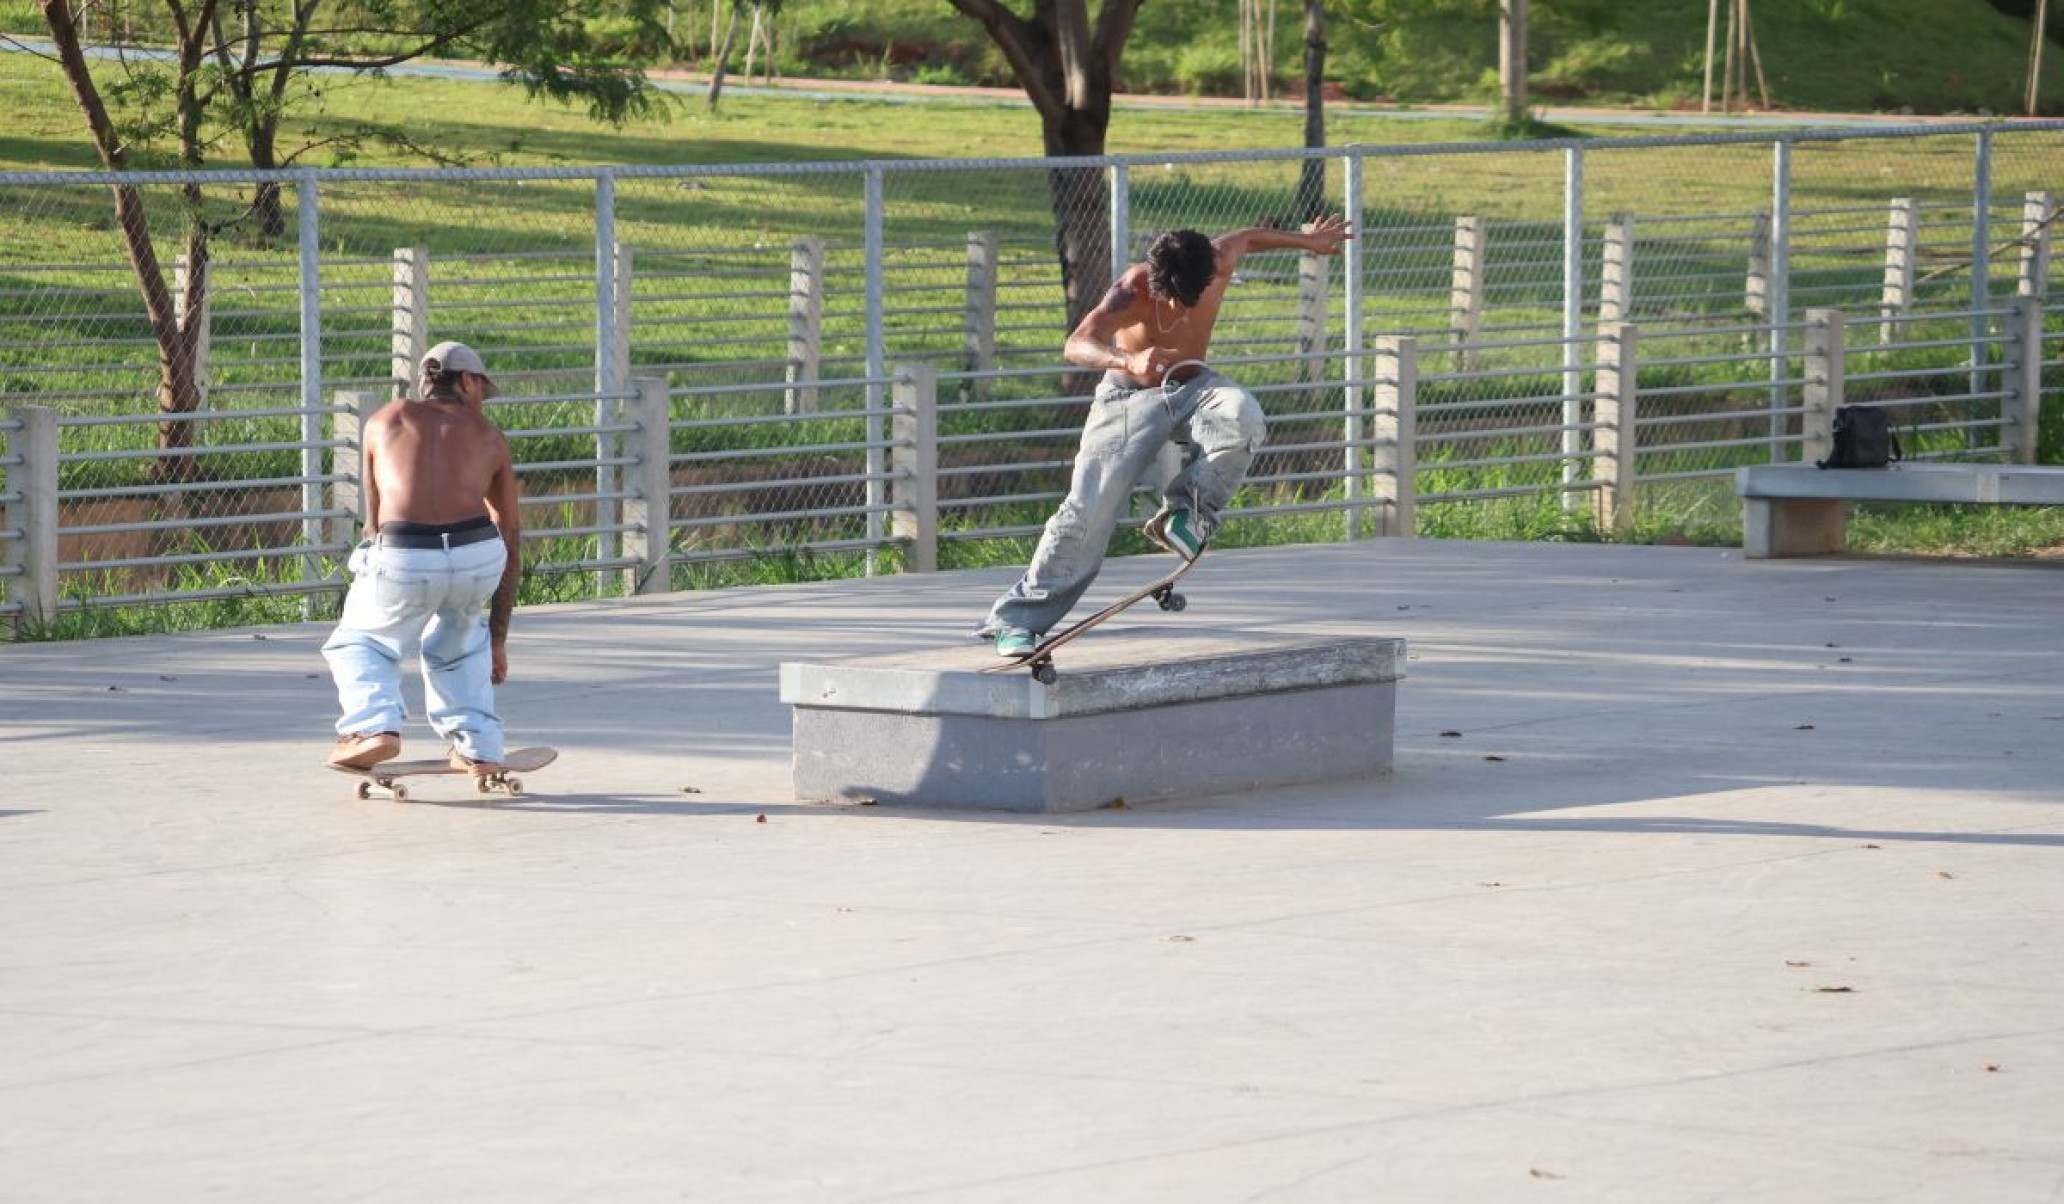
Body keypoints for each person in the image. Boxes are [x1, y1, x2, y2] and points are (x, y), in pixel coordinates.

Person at [981, 216, 1353, 657]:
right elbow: (1077, 344)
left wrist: (1307, 241)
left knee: (1242, 415)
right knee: (1088, 510)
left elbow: (1250, 237)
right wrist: (1126, 360)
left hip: (1193, 387)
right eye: (1171, 300)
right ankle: (1017, 621)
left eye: (1188, 300)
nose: (1178, 311)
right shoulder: (1131, 290)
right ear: (1156, 285)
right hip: (1128, 398)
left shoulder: (1219, 260)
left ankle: (1186, 514)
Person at [322, 341, 522, 778]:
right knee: (463, 644)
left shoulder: (385, 420)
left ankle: (372, 727)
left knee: (361, 641)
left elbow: (373, 525)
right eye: (481, 391)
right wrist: (498, 638)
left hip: (405, 553)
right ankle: (479, 748)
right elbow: (509, 532)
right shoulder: (490, 436)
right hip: (478, 553)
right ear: (468, 381)